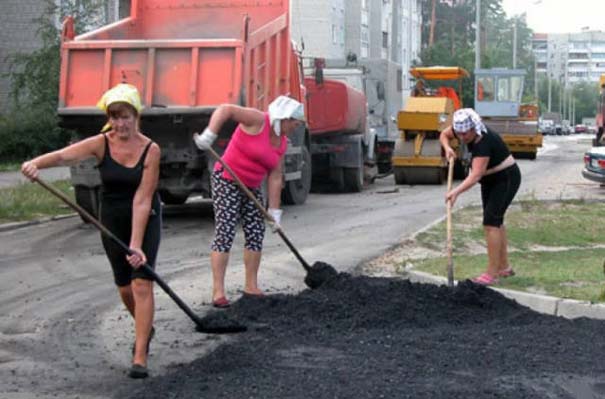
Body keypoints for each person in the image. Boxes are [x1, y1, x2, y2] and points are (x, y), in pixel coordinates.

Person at [21, 83, 161, 379]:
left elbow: (143, 199)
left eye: (126, 116)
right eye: (115, 116)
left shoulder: (151, 149)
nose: (121, 123)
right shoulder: (102, 143)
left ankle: (140, 354)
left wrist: (137, 246)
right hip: (110, 218)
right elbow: (63, 156)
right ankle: (145, 326)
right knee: (124, 287)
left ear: (137, 116)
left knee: (141, 284)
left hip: (145, 216)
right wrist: (35, 164)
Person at [193, 95, 305, 308]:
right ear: (285, 118)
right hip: (227, 179)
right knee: (225, 231)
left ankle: (251, 287)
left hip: (252, 187)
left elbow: (275, 175)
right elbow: (225, 109)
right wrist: (210, 134)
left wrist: (274, 212)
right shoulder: (258, 120)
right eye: (295, 124)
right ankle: (218, 292)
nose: (296, 129)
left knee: (256, 232)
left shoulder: (281, 142)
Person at [439, 108, 521, 286]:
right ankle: (504, 267)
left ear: (473, 128)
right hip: (490, 180)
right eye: (458, 133)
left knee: (491, 223)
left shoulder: (483, 142)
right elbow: (444, 135)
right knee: (495, 222)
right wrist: (447, 149)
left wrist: (455, 192)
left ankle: (492, 273)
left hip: (505, 178)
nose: (461, 138)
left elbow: (475, 175)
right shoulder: (461, 130)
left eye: (465, 134)